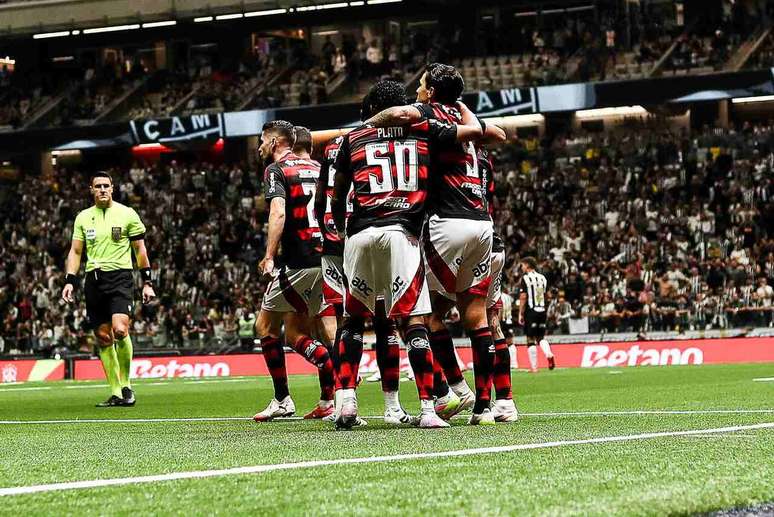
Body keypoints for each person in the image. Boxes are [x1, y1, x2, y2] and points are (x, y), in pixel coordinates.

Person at [331, 79, 483, 429]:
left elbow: (338, 195)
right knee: (414, 323)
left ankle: (347, 402)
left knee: (353, 321)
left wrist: (343, 230)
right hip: (403, 233)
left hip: (360, 231)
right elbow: (473, 136)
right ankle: (429, 410)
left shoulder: (351, 139)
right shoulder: (426, 134)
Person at [365, 63, 506, 424]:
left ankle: (447, 393)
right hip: (483, 225)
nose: (416, 91)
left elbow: (397, 112)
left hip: (446, 223)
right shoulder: (467, 122)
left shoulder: (430, 113)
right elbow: (501, 134)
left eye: (421, 86)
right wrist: (465, 112)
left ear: (430, 91)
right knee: (476, 315)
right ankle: (485, 408)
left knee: (417, 314)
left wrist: (367, 126)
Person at [312, 115, 411, 426]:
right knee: (384, 323)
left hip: (337, 242)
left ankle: (345, 402)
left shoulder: (336, 146)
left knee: (348, 319)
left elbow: (321, 198)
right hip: (373, 232)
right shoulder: (386, 142)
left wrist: (332, 231)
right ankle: (392, 407)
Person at [252, 120, 337, 422]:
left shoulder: (276, 170)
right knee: (301, 331)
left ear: (275, 142)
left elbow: (278, 211)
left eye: (262, 140)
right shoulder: (318, 167)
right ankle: (329, 400)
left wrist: (269, 255)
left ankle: (284, 398)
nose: (260, 146)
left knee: (265, 327)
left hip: (298, 261)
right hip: (327, 258)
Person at [61, 171, 155, 407]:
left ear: (113, 188)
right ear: (91, 190)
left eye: (106, 185)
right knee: (103, 337)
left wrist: (147, 281)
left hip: (120, 277)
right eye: (97, 186)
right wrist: (69, 280)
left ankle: (126, 386)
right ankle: (115, 391)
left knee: (120, 330)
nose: (102, 189)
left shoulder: (127, 214)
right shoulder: (83, 217)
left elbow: (140, 250)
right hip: (93, 280)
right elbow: (76, 252)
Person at [480, 145, 517, 422]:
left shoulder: (446, 150)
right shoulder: (484, 160)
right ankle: (505, 402)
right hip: (493, 241)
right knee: (493, 322)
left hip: (457, 241)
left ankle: (446, 394)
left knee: (426, 318)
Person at [518, 256, 555, 373]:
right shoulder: (542, 278)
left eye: (522, 265)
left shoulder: (525, 278)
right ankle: (548, 353)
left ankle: (534, 368)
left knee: (530, 339)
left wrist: (521, 313)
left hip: (531, 311)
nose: (522, 268)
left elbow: (523, 297)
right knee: (541, 338)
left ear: (528, 265)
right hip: (542, 310)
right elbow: (547, 295)